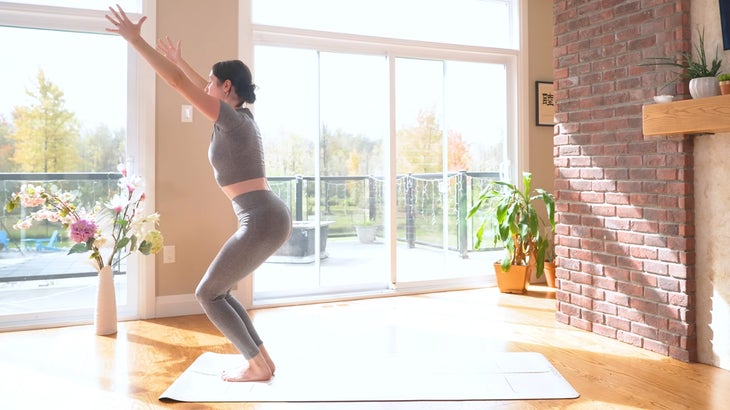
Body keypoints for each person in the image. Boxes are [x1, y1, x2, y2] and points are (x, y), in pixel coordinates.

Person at [105, 5, 292, 382]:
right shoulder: (242, 117)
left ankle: (255, 364)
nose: (204, 87)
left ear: (226, 88)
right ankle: (263, 361)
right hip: (265, 215)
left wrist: (136, 40)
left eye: (211, 82)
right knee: (218, 291)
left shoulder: (231, 119)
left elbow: (177, 83)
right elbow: (193, 83)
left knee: (208, 293)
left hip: (261, 218)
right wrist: (182, 61)